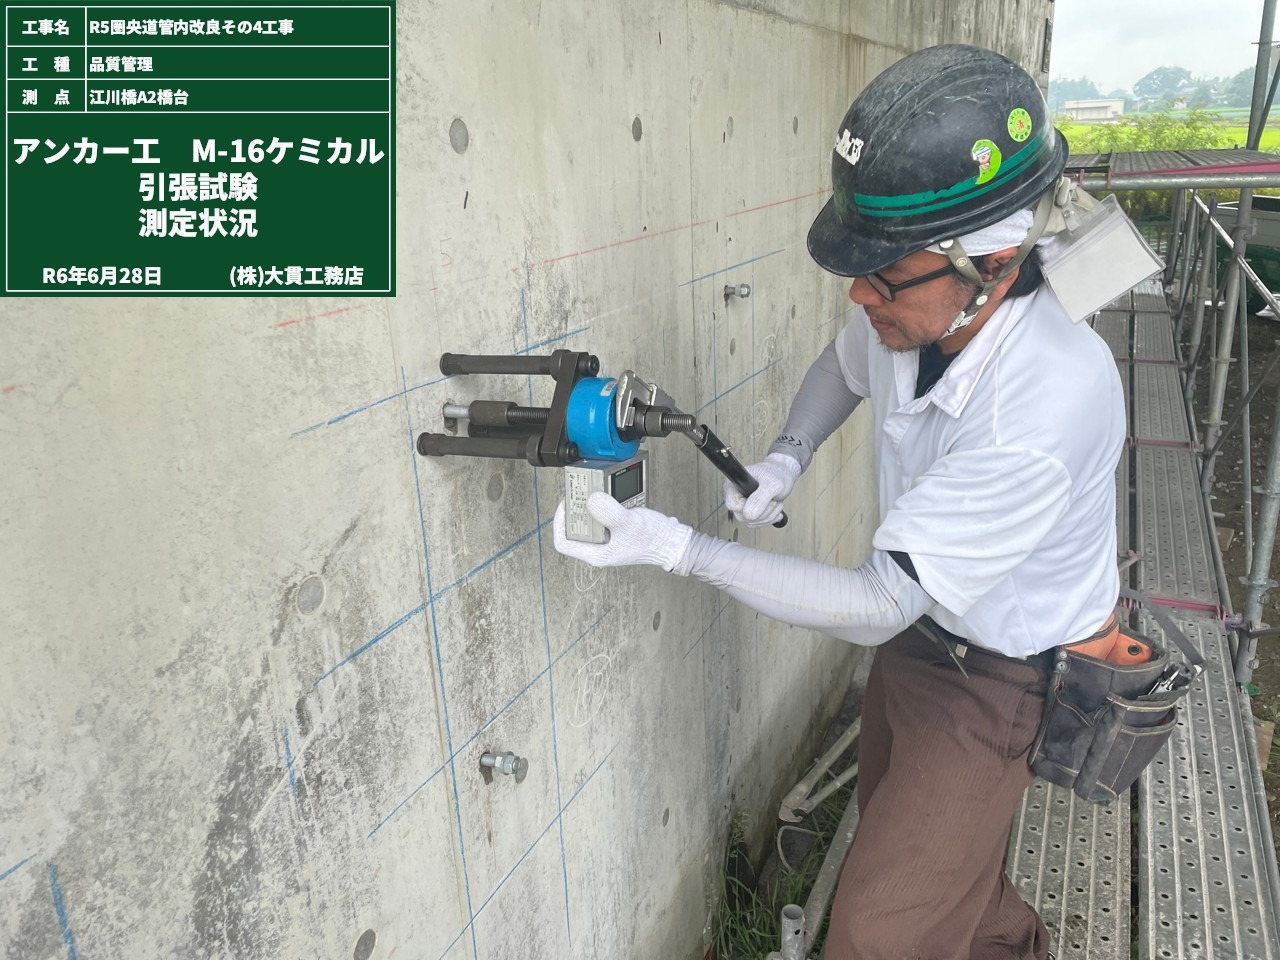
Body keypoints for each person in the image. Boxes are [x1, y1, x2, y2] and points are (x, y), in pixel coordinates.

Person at [553, 43, 1124, 960]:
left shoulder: (1046, 400)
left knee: (875, 930)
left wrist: (681, 550)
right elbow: (843, 365)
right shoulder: (919, 314)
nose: (859, 294)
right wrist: (786, 457)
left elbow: (876, 601)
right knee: (935, 863)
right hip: (927, 631)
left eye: (884, 274)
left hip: (1004, 677)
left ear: (992, 264)